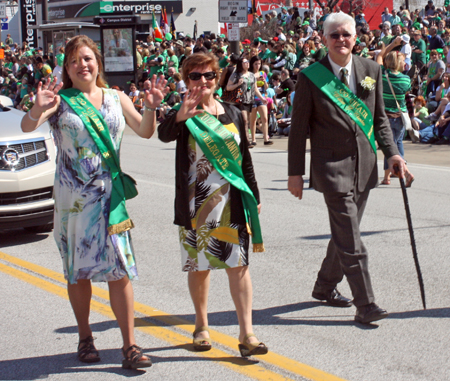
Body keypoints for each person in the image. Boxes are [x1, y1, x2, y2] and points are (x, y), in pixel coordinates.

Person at [20, 35, 157, 369]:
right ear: (67, 68)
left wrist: (151, 106)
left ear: (98, 62)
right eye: (74, 61)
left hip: (110, 197)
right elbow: (27, 127)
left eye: (87, 58)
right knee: (77, 272)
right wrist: (38, 106)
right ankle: (85, 337)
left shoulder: (116, 97)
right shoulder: (60, 100)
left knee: (119, 270)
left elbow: (145, 130)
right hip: (73, 201)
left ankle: (130, 345)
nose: (83, 65)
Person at [288, 12, 406, 324]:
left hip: (365, 166)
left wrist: (392, 155)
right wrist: (295, 173)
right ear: (324, 39)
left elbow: (380, 120)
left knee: (344, 233)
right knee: (351, 239)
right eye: (335, 35)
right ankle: (365, 304)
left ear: (356, 38)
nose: (342, 40)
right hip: (331, 167)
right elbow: (298, 130)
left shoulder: (371, 70)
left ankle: (325, 286)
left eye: (347, 35)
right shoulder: (312, 76)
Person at [157, 52, 268, 358]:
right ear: (185, 79)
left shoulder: (233, 113)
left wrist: (254, 196)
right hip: (196, 203)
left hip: (232, 201)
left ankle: (247, 333)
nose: (203, 81)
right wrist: (181, 115)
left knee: (239, 266)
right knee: (199, 266)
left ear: (217, 78)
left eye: (208, 75)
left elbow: (245, 160)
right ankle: (201, 325)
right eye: (195, 76)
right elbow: (163, 134)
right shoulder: (182, 113)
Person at [376, 49, 415, 186]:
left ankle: (394, 176)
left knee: (389, 146)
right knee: (397, 144)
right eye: (403, 60)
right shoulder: (406, 79)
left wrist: (392, 44)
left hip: (386, 116)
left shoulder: (382, 75)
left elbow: (380, 55)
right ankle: (394, 173)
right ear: (398, 62)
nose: (405, 63)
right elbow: (407, 92)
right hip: (400, 117)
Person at [226, 57, 271, 145]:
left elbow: (255, 88)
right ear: (241, 64)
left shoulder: (251, 75)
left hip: (253, 98)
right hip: (241, 100)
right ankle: (248, 141)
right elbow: (228, 87)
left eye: (247, 62)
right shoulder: (236, 74)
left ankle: (255, 140)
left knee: (256, 119)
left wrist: (262, 98)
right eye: (245, 62)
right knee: (246, 120)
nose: (247, 63)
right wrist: (237, 84)